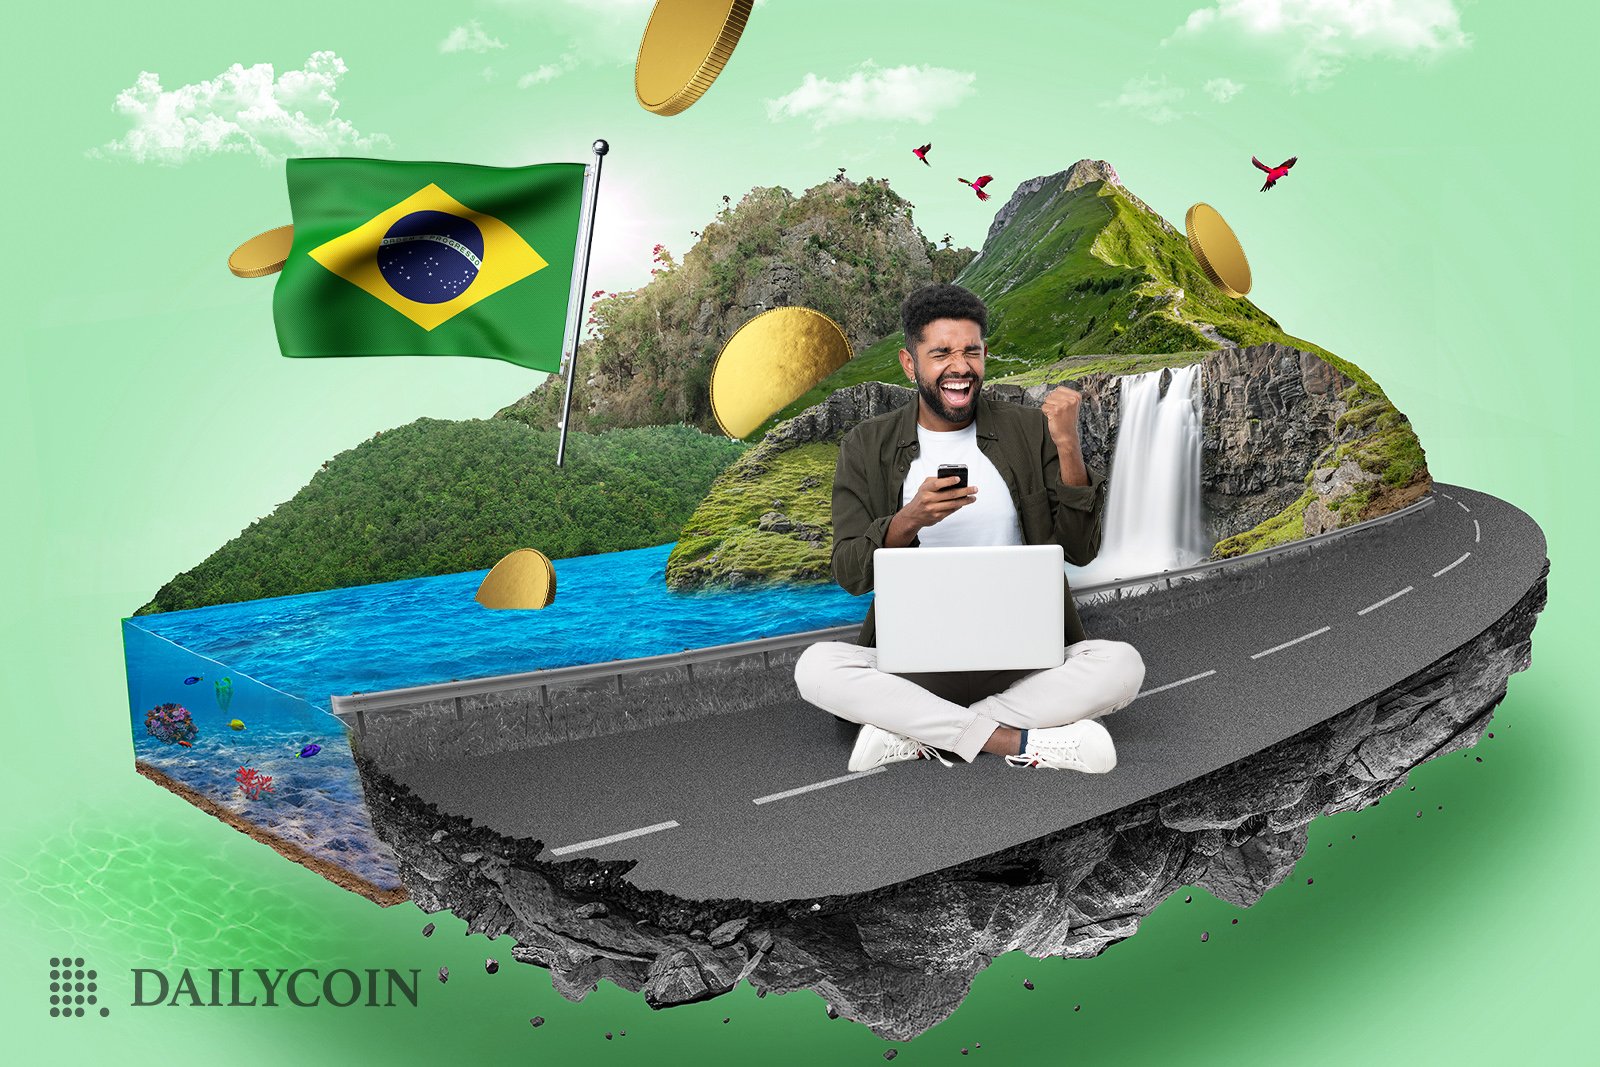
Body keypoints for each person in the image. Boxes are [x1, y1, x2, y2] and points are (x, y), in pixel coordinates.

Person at [793, 283, 1146, 773]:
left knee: (1123, 665)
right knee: (815, 668)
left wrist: (1067, 445)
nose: (959, 366)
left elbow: (1080, 550)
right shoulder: (867, 444)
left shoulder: (1027, 429)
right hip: (915, 666)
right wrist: (909, 519)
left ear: (984, 356)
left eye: (971, 352)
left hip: (1026, 661)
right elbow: (851, 572)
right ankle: (1018, 741)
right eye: (941, 353)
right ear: (909, 363)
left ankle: (918, 732)